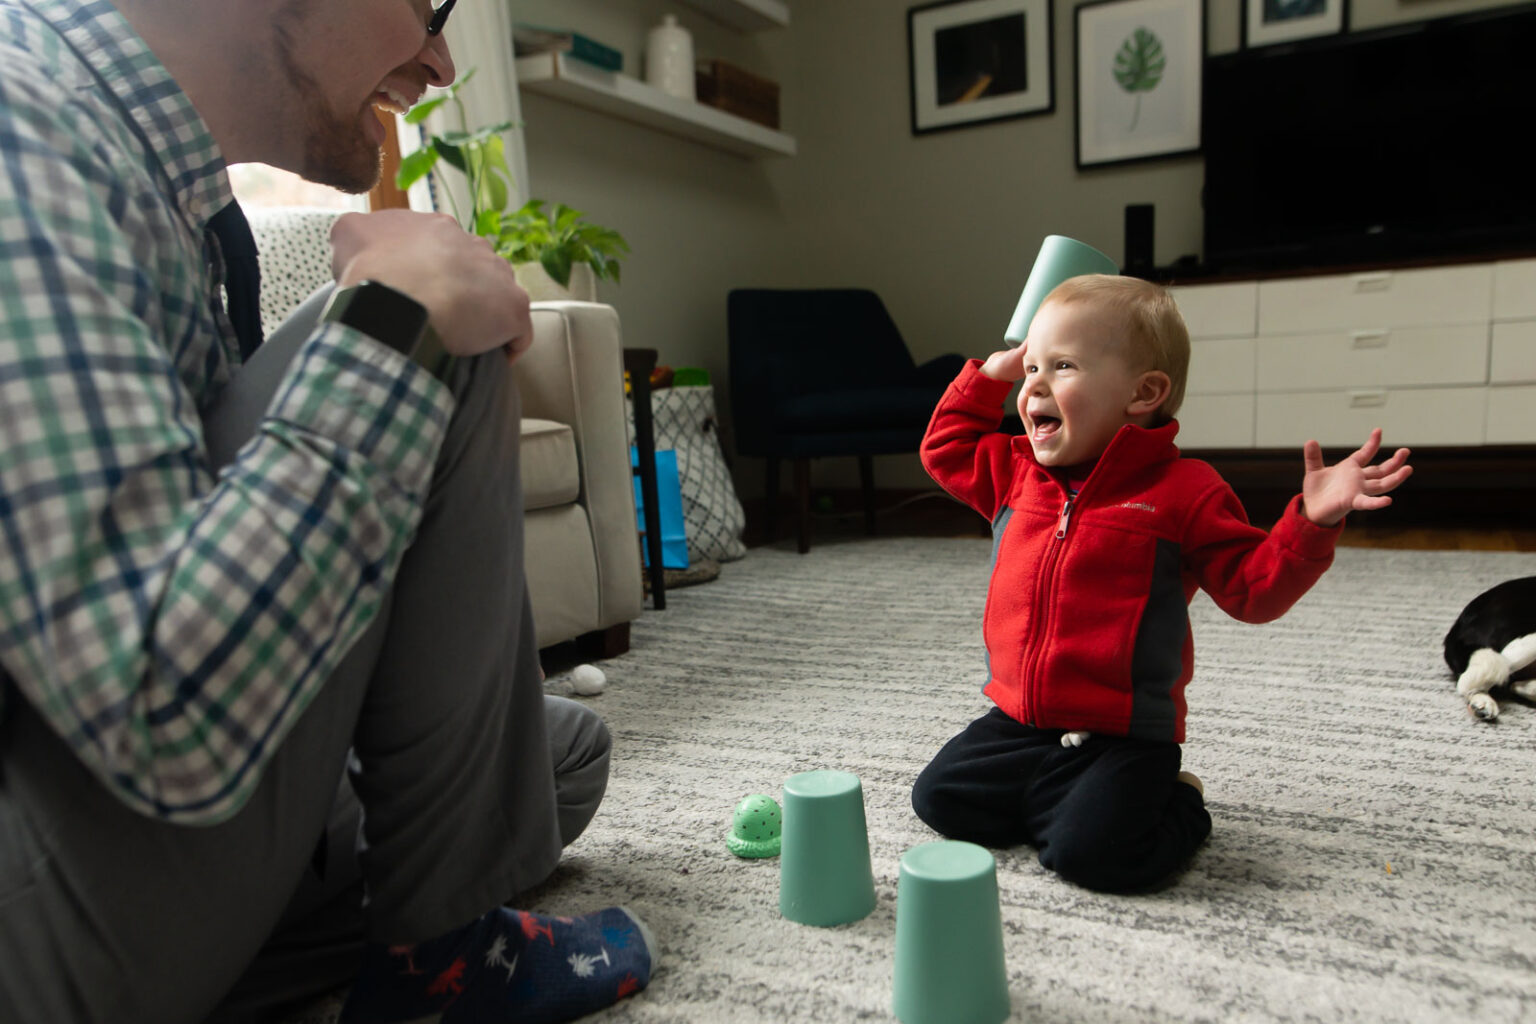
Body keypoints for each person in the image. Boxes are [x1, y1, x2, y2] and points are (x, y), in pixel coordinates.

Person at [0, 1, 653, 1022]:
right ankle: (438, 967)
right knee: (437, 329)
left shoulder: (153, 177)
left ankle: (298, 955)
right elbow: (158, 707)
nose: (439, 61)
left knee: (552, 757)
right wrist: (399, 324)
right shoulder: (17, 128)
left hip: (100, 795)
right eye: (426, 4)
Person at [911, 274, 1412, 893]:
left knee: (1093, 858)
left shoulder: (1186, 493)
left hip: (1123, 735)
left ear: (1144, 392)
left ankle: (1177, 803)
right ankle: (1064, 800)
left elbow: (1255, 591)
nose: (1033, 383)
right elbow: (946, 447)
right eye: (1031, 367)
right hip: (1019, 720)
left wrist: (1311, 522)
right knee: (939, 799)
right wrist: (990, 376)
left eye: (1061, 366)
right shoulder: (1014, 472)